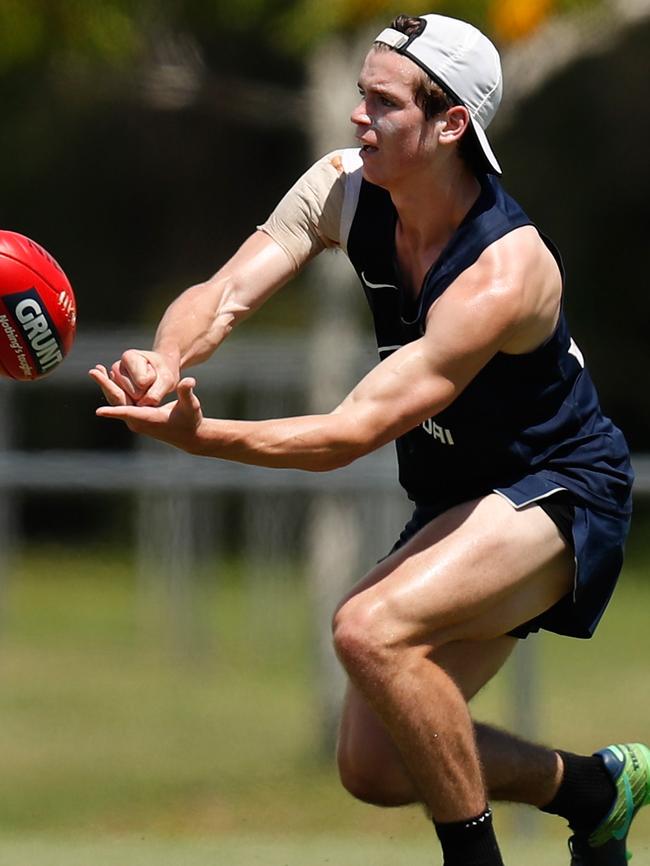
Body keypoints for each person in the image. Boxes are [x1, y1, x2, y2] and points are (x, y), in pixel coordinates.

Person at [90, 13, 649, 866]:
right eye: (360, 94)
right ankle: (594, 788)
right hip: (465, 497)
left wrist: (203, 438)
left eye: (383, 104)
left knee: (367, 629)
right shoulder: (346, 188)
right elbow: (227, 290)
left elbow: (349, 433)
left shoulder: (503, 269)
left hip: (564, 486)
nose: (359, 117)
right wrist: (166, 361)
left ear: (451, 122)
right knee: (377, 764)